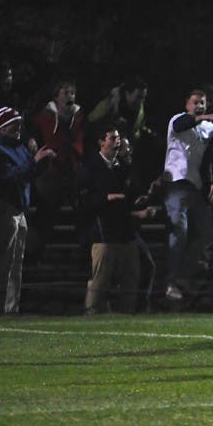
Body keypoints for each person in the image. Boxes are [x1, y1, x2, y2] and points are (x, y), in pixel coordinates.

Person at [77, 125, 157, 315]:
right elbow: (81, 200)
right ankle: (93, 312)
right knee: (101, 278)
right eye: (112, 138)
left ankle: (125, 313)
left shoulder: (123, 168)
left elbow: (130, 197)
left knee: (130, 276)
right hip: (103, 232)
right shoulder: (91, 167)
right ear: (101, 142)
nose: (117, 142)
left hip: (125, 231)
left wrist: (140, 202)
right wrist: (106, 198)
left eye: (118, 138)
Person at [162, 89, 213, 305]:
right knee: (179, 231)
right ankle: (171, 281)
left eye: (203, 103)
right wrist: (202, 117)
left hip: (196, 186)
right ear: (187, 104)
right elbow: (181, 125)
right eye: (195, 102)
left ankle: (184, 276)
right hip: (177, 183)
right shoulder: (177, 119)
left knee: (205, 232)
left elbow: (212, 155)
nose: (199, 106)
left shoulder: (208, 127)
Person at [0, 107, 55, 314]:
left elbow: (30, 173)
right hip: (4, 209)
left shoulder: (18, 147)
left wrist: (43, 161)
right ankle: (0, 308)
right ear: (2, 128)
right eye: (14, 124)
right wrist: (33, 162)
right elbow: (10, 177)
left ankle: (10, 308)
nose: (19, 127)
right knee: (3, 261)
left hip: (20, 210)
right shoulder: (0, 150)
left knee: (16, 264)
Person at [30, 79, 86, 256]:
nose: (70, 96)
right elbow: (34, 136)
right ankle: (34, 254)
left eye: (72, 93)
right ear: (56, 96)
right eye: (66, 92)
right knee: (46, 214)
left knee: (83, 213)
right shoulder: (45, 117)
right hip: (51, 172)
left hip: (72, 171)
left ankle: (85, 254)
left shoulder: (79, 117)